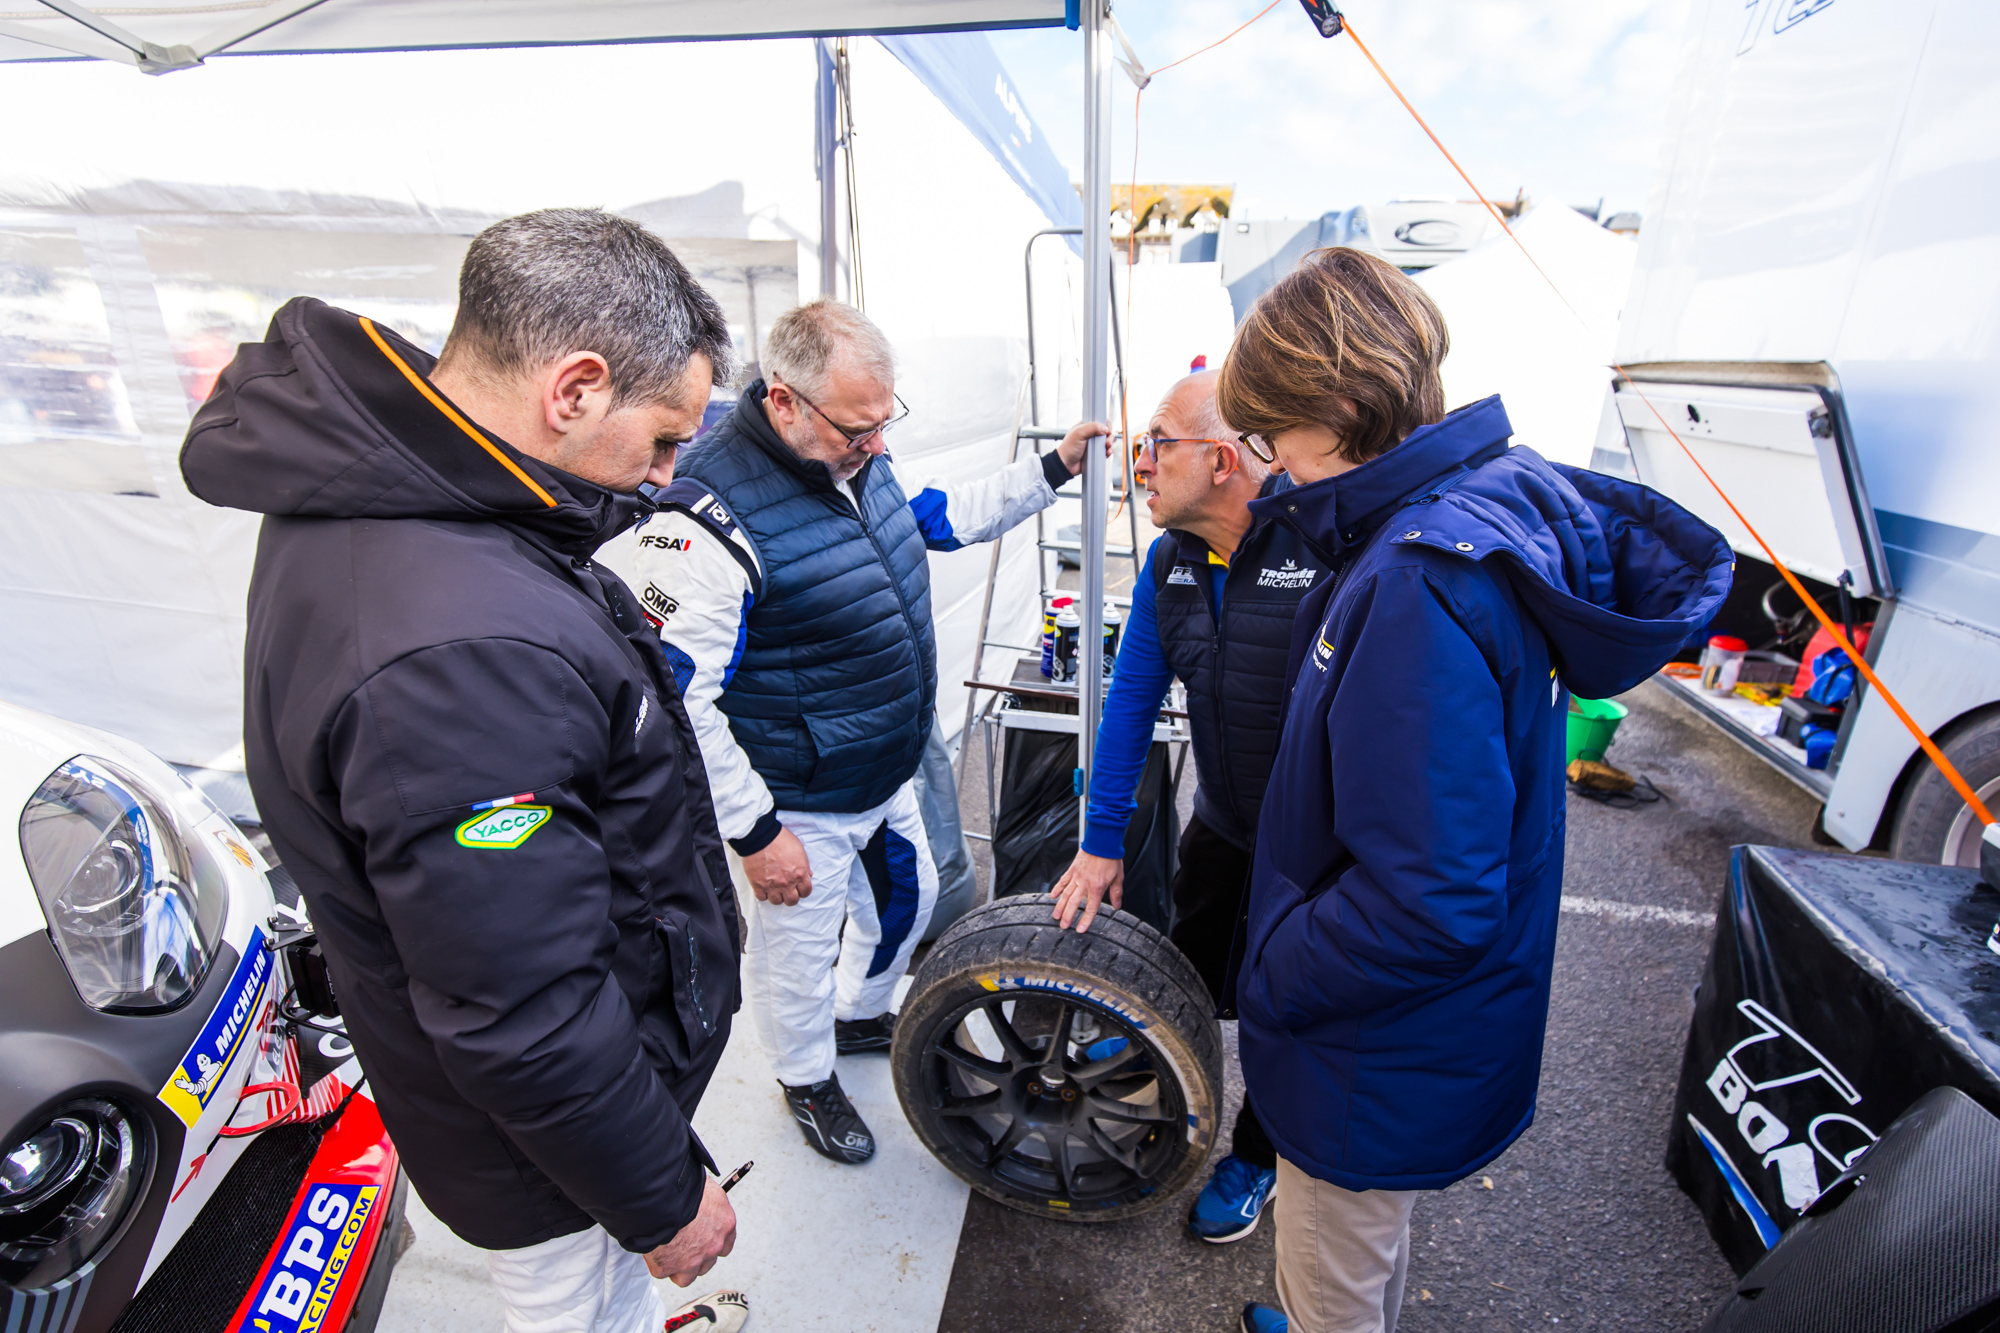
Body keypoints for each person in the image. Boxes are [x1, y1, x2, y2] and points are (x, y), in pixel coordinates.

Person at [184, 209, 754, 1333]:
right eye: (661, 440)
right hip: (540, 1154)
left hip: (546, 1114)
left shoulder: (397, 495)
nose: (665, 478)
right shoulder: (462, 654)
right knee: (577, 1301)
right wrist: (662, 1197)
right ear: (574, 388)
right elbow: (525, 1010)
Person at [1215, 249, 1732, 1333]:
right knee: (1368, 1235)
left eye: (1274, 436)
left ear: (1340, 408)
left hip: (1366, 1044)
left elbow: (1429, 898)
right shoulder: (1476, 510)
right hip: (1417, 1035)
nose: (1272, 467)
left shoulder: (1414, 581)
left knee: (1333, 1260)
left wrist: (1272, 972)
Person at [632, 298, 1108, 1163]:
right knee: (797, 956)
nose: (879, 444)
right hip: (798, 799)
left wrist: (1054, 468)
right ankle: (805, 1076)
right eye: (860, 427)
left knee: (906, 901)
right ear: (784, 400)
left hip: (880, 771)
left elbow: (946, 516)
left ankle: (858, 1015)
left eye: (886, 421)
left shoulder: (852, 455)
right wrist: (757, 833)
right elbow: (678, 702)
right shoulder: (705, 514)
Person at [1048, 367, 1330, 1243]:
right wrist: (1101, 840)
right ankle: (1150, 1049)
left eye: (1156, 443)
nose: (1139, 462)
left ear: (1220, 460)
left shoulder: (1322, 549)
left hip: (1316, 859)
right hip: (1223, 824)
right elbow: (1130, 701)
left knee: (1287, 1019)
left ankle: (1258, 1156)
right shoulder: (1170, 561)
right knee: (1190, 964)